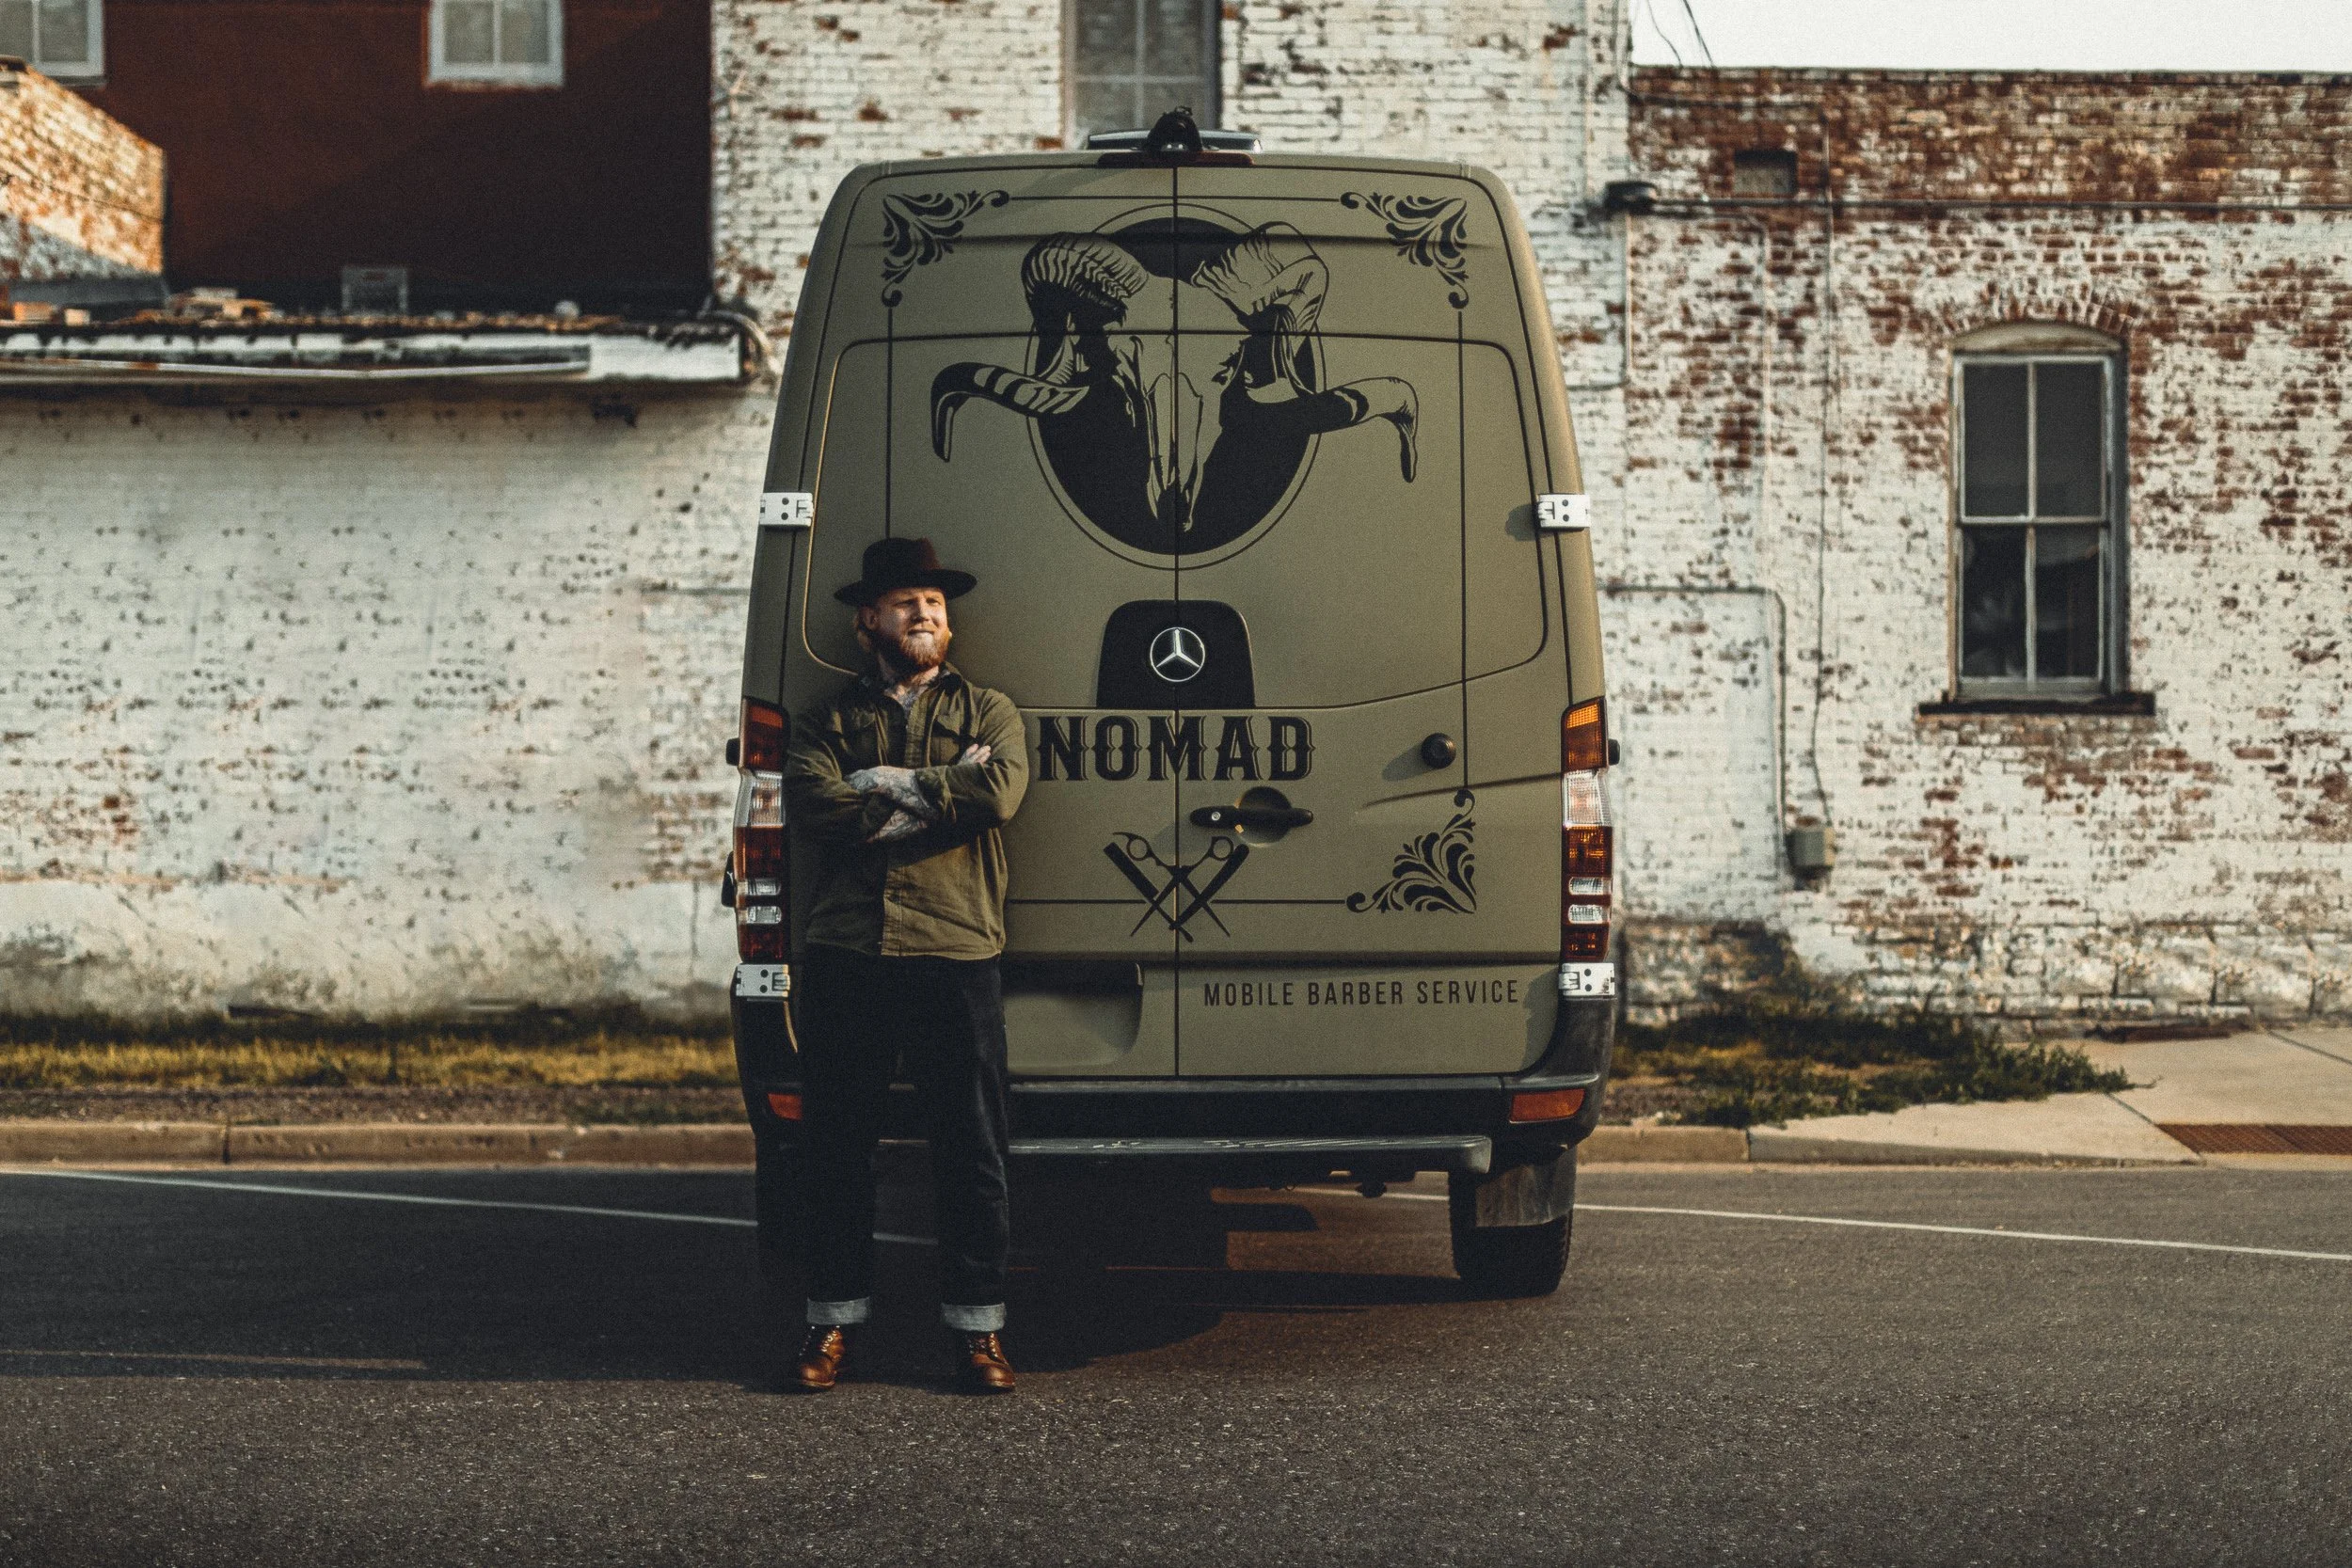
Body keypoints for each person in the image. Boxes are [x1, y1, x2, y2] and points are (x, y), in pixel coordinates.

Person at [779, 536, 1029, 1395]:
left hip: (957, 950)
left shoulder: (991, 711)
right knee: (838, 1150)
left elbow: (997, 795)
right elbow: (817, 808)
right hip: (849, 952)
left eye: (936, 604)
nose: (927, 614)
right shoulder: (825, 719)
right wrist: (937, 791)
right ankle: (832, 1327)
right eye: (907, 603)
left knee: (971, 1150)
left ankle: (978, 1334)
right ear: (867, 622)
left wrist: (879, 784)